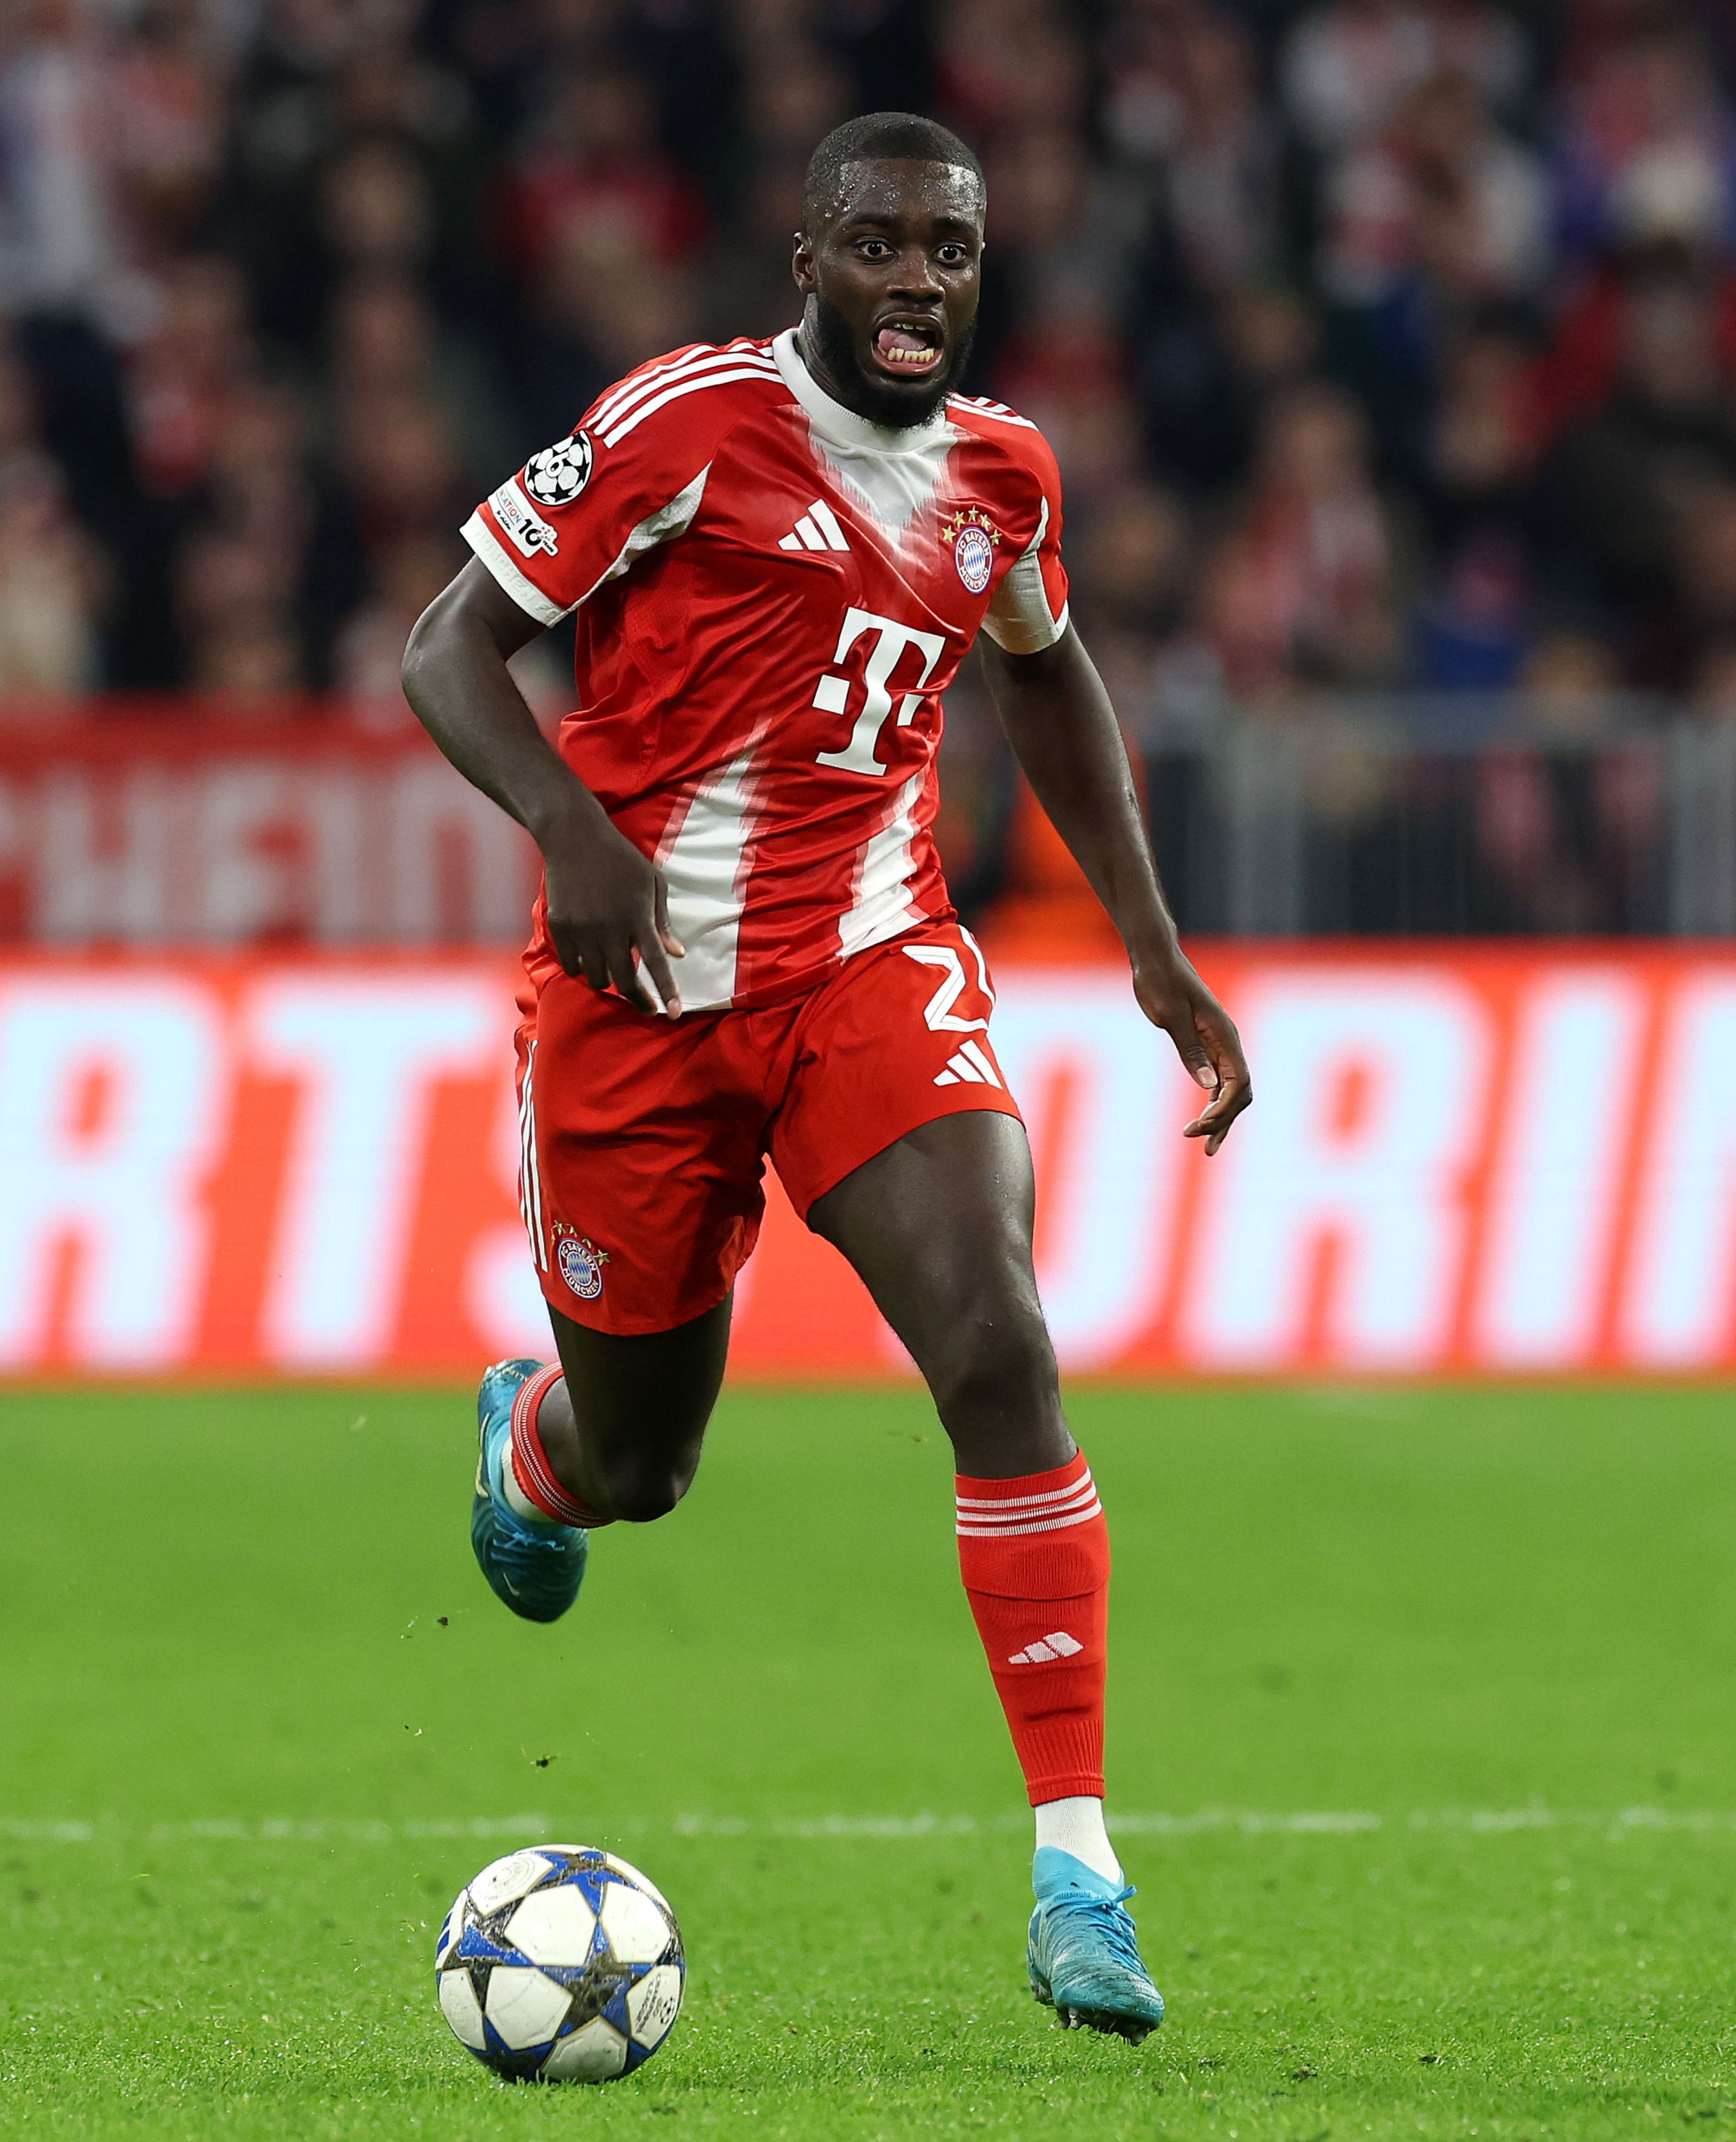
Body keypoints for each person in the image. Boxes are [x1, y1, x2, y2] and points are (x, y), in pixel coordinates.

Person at [400, 113, 1251, 2044]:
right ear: (808, 263)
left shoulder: (1001, 474)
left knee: (1000, 1345)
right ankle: (537, 1441)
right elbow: (446, 650)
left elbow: (1043, 669)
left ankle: (1078, 1871)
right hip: (635, 994)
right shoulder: (680, 426)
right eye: (875, 248)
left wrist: (1147, 942)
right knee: (646, 1466)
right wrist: (568, 827)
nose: (916, 286)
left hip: (868, 965)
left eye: (946, 252)